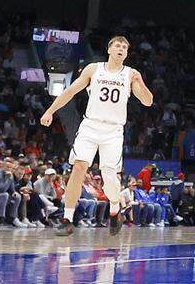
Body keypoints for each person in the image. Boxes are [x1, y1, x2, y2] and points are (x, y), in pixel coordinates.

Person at [40, 35, 152, 236]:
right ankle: (67, 219)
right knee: (79, 168)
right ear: (110, 50)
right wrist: (50, 110)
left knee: (109, 176)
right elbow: (70, 91)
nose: (120, 49)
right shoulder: (94, 69)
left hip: (113, 130)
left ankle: (115, 208)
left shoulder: (130, 74)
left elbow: (148, 102)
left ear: (126, 54)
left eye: (124, 47)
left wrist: (140, 82)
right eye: (117, 45)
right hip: (90, 126)